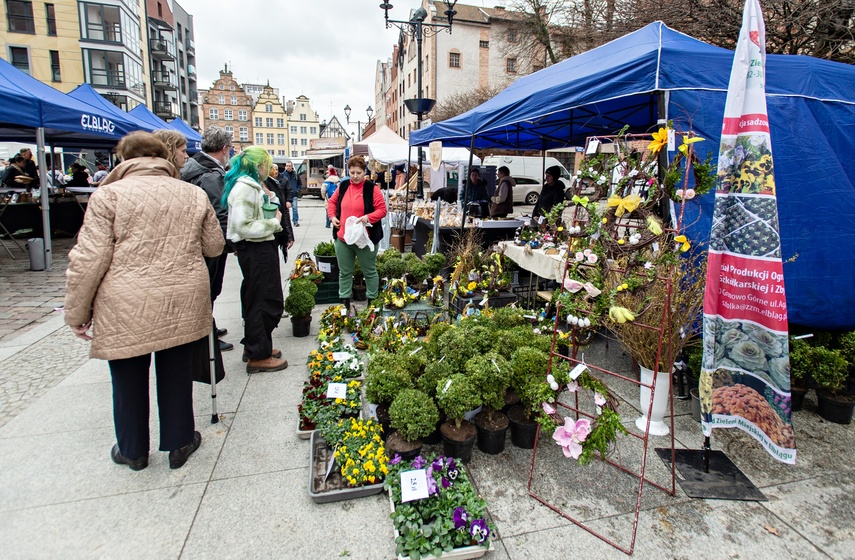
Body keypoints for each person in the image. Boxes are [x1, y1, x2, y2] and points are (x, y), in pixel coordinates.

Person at [64, 131, 224, 472]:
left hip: (125, 300)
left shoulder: (107, 196)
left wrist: (76, 312)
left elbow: (89, 258)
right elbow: (214, 246)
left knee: (127, 376)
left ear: (124, 159)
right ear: (163, 158)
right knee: (176, 371)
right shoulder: (192, 194)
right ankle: (180, 442)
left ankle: (133, 450)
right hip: (182, 295)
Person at [222, 147, 288, 374]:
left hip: (258, 247)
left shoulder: (250, 186)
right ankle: (258, 355)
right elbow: (243, 225)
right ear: (257, 165)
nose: (268, 169)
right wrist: (273, 223)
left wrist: (269, 199)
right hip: (256, 248)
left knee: (257, 298)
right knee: (265, 301)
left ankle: (257, 347)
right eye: (265, 164)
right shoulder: (244, 188)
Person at [181, 127, 234, 352]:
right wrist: (230, 244)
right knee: (209, 289)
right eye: (229, 148)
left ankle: (208, 326)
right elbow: (219, 212)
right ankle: (206, 335)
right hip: (209, 244)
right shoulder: (210, 173)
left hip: (201, 241)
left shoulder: (199, 167)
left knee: (210, 289)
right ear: (224, 149)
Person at [327, 155, 387, 311]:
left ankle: (372, 302)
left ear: (364, 172)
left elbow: (382, 210)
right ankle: (344, 303)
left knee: (369, 271)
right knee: (344, 272)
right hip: (343, 238)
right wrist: (332, 217)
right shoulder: (343, 185)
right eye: (352, 172)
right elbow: (332, 202)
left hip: (365, 238)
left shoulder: (372, 189)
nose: (354, 176)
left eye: (358, 173)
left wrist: (368, 217)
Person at [265, 163, 295, 264]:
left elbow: (284, 212)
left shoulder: (281, 181)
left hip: (276, 230)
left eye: (276, 169)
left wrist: (288, 235)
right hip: (263, 237)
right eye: (272, 169)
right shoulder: (263, 183)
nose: (275, 171)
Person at [280, 160, 301, 226]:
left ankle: (295, 221)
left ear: (292, 167)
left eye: (289, 166)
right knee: (286, 209)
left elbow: (299, 183)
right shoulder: (283, 175)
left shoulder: (295, 174)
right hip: (286, 195)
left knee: (294, 208)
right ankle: (286, 222)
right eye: (287, 166)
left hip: (294, 194)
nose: (288, 167)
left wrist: (297, 189)